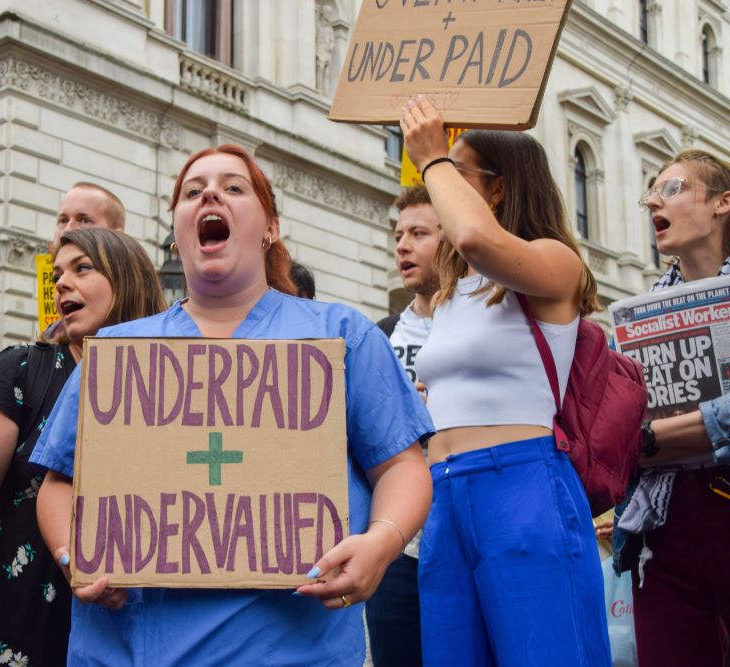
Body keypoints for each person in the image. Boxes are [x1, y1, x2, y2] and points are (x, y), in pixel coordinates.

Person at [31, 144, 434, 666]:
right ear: (177, 231)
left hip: (295, 651)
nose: (211, 194)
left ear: (270, 227)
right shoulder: (117, 352)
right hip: (127, 648)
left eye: (233, 187)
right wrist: (73, 556)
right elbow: (59, 484)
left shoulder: (341, 337)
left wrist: (382, 543)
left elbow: (403, 466)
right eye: (193, 191)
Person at [401, 96, 611, 666]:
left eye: (455, 169)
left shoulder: (556, 262)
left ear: (497, 189)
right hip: (444, 491)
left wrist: (430, 156)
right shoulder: (452, 291)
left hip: (521, 481)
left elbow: (474, 236)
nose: (438, 178)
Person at [0, 228, 166, 666]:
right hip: (22, 624)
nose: (61, 282)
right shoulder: (22, 370)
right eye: (58, 274)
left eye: (83, 268)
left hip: (133, 627)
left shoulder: (165, 382)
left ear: (129, 278)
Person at [615, 150, 730, 667]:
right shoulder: (635, 316)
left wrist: (652, 441)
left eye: (674, 188)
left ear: (723, 203)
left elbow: (637, 439)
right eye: (651, 194)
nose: (654, 201)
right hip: (661, 525)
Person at [366, 185, 440, 667]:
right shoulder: (379, 335)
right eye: (398, 234)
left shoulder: (481, 328)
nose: (402, 246)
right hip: (395, 548)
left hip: (460, 534)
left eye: (419, 233)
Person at [43, 182, 127, 342]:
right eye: (62, 220)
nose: (68, 229)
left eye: (84, 220)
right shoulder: (40, 353)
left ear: (118, 238)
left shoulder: (154, 336)